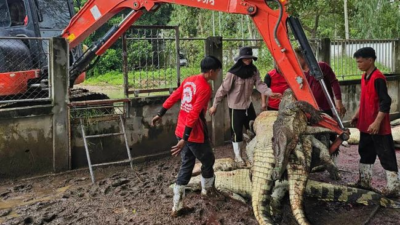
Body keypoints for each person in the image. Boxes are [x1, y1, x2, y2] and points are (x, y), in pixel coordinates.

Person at [152, 56, 222, 217]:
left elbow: (175, 96)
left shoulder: (189, 80)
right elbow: (194, 113)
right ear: (211, 72)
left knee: (187, 164)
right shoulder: (205, 88)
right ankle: (207, 191)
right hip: (193, 132)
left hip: (181, 128)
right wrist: (186, 138)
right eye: (217, 71)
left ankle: (177, 206)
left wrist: (160, 113)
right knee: (208, 160)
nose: (218, 74)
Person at [209, 46, 281, 164]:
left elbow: (260, 84)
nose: (248, 60)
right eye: (246, 58)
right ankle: (238, 156)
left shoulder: (253, 71)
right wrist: (214, 105)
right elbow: (223, 89)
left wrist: (270, 93)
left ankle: (253, 153)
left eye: (250, 58)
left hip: (248, 106)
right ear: (241, 59)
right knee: (236, 132)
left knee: (253, 129)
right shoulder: (232, 73)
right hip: (235, 107)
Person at [351, 47, 400, 197]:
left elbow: (386, 102)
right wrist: (357, 114)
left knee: (386, 154)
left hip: (378, 126)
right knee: (365, 152)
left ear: (370, 60)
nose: (358, 64)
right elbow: (365, 99)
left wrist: (377, 122)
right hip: (366, 124)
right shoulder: (364, 76)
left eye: (360, 61)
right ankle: (364, 181)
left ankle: (394, 187)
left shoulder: (378, 78)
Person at [295, 47, 346, 156]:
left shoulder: (321, 67)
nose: (295, 60)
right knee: (313, 137)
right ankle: (317, 160)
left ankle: (332, 158)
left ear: (304, 57)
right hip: (309, 111)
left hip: (325, 108)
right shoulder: (298, 74)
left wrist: (338, 101)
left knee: (330, 133)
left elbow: (334, 82)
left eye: (297, 58)